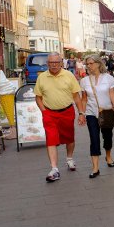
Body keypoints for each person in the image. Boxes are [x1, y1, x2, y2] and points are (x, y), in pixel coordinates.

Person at [34, 52, 86, 183]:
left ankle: (69, 159)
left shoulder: (69, 76)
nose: (54, 65)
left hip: (67, 111)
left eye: (57, 62)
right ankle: (54, 169)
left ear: (61, 63)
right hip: (49, 113)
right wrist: (44, 111)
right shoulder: (42, 77)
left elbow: (76, 96)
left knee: (69, 137)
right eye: (51, 63)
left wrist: (81, 113)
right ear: (47, 64)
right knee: (51, 139)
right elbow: (38, 97)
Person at [80, 54, 114, 178]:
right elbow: (84, 99)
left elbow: (112, 94)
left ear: (98, 64)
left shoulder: (108, 78)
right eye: (87, 64)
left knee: (107, 137)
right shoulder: (84, 81)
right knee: (94, 138)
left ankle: (108, 156)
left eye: (91, 63)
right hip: (91, 113)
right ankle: (95, 168)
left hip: (106, 112)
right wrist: (82, 113)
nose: (89, 66)